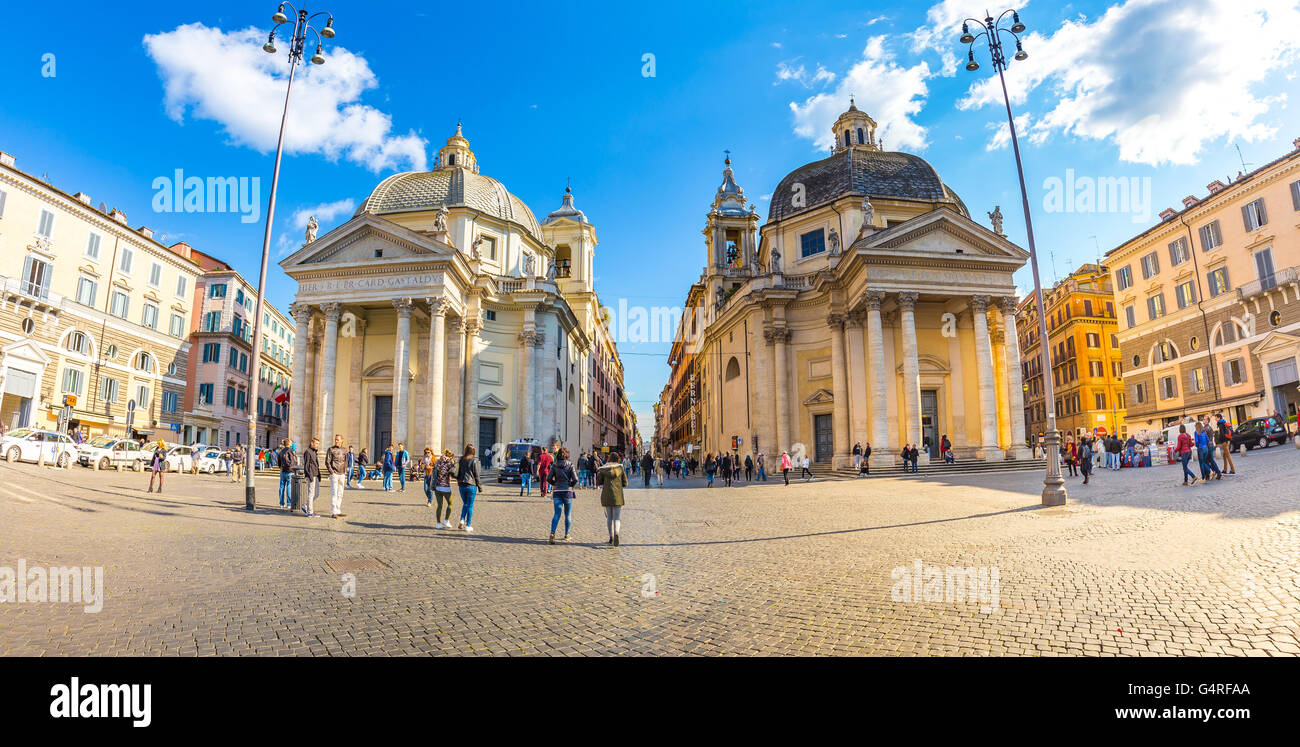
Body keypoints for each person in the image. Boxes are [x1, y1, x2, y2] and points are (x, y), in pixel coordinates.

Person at [547, 447, 579, 543]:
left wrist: (555, 484)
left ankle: (552, 533)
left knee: (556, 514)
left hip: (557, 491)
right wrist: (570, 485)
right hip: (567, 492)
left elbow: (548, 478)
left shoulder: (554, 465)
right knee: (567, 514)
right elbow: (575, 479)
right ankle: (567, 534)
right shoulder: (570, 465)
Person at [596, 451, 627, 546]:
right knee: (617, 518)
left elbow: (599, 482)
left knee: (609, 517)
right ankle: (616, 532)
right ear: (618, 459)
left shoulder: (603, 469)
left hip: (606, 495)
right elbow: (625, 483)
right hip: (617, 495)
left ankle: (611, 537)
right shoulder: (620, 468)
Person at [454, 444, 481, 532]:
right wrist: (479, 486)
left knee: (465, 504)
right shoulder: (474, 461)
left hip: (461, 485)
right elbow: (476, 475)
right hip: (470, 485)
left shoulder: (461, 460)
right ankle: (468, 525)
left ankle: (462, 520)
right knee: (470, 505)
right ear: (473, 451)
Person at [325, 434, 347, 518]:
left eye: (338, 439)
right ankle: (333, 511)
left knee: (340, 493)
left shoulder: (344, 450)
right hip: (334, 473)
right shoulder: (330, 449)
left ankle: (338, 509)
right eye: (335, 439)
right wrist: (332, 472)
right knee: (334, 492)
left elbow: (346, 461)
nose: (336, 441)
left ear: (342, 441)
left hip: (342, 474)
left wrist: (345, 470)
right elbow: (327, 462)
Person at [433, 449, 455, 528]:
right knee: (450, 504)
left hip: (437, 486)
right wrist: (452, 463)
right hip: (445, 487)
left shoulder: (438, 462)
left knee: (439, 505)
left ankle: (438, 523)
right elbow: (454, 472)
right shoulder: (449, 463)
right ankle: (446, 521)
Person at [302, 437, 321, 517]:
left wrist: (319, 475)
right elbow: (306, 465)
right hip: (311, 475)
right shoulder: (308, 452)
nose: (317, 445)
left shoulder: (314, 452)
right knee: (311, 493)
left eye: (318, 444)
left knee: (316, 494)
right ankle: (310, 512)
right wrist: (309, 475)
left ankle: (305, 505)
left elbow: (316, 465)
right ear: (312, 443)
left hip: (316, 474)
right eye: (316, 443)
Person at [276, 438, 296, 509]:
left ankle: (281, 503)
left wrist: (281, 467)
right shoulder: (290, 450)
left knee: (281, 487)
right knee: (289, 486)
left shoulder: (281, 451)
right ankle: (289, 503)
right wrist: (293, 468)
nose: (292, 443)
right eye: (291, 442)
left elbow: (278, 461)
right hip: (289, 471)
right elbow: (292, 461)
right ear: (289, 443)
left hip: (282, 471)